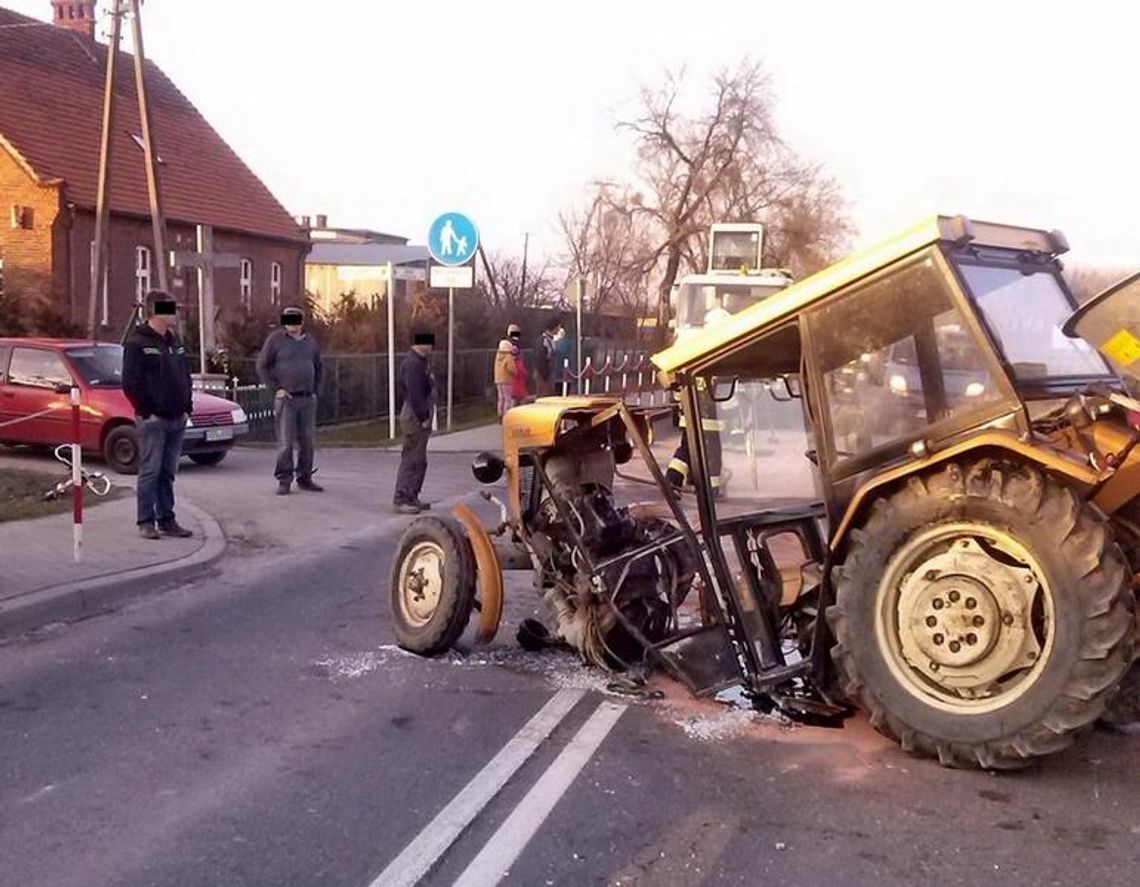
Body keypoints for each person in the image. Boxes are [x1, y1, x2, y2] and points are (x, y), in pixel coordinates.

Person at [122, 290, 194, 540]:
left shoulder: (174, 342)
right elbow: (130, 383)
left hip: (176, 417)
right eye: (170, 309)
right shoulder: (137, 343)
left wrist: (187, 407)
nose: (174, 313)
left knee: (168, 472)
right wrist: (146, 411)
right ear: (156, 312)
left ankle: (167, 518)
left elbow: (185, 376)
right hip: (154, 420)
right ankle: (146, 521)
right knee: (150, 471)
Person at [257, 306, 324, 495]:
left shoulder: (310, 342)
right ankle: (284, 479)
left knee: (308, 441)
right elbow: (262, 366)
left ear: (302, 322)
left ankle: (305, 477)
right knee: (286, 442)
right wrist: (275, 388)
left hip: (307, 398)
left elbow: (319, 367)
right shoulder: (276, 340)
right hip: (287, 399)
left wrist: (316, 391)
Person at [393, 330, 437, 514]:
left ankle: (412, 495)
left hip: (418, 413)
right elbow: (414, 393)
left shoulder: (422, 362)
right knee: (411, 458)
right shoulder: (412, 364)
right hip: (414, 416)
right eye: (428, 342)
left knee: (420, 460)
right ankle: (401, 497)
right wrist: (423, 416)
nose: (431, 346)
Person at [533, 317, 560, 396]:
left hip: (549, 374)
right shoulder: (544, 341)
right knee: (544, 396)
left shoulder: (551, 340)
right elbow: (540, 359)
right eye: (558, 327)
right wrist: (546, 375)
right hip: (544, 375)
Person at [493, 337, 516, 418]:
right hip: (507, 379)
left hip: (498, 379)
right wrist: (515, 373)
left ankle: (500, 413)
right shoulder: (508, 356)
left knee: (501, 398)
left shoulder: (498, 356)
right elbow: (511, 368)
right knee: (508, 398)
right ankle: (506, 415)